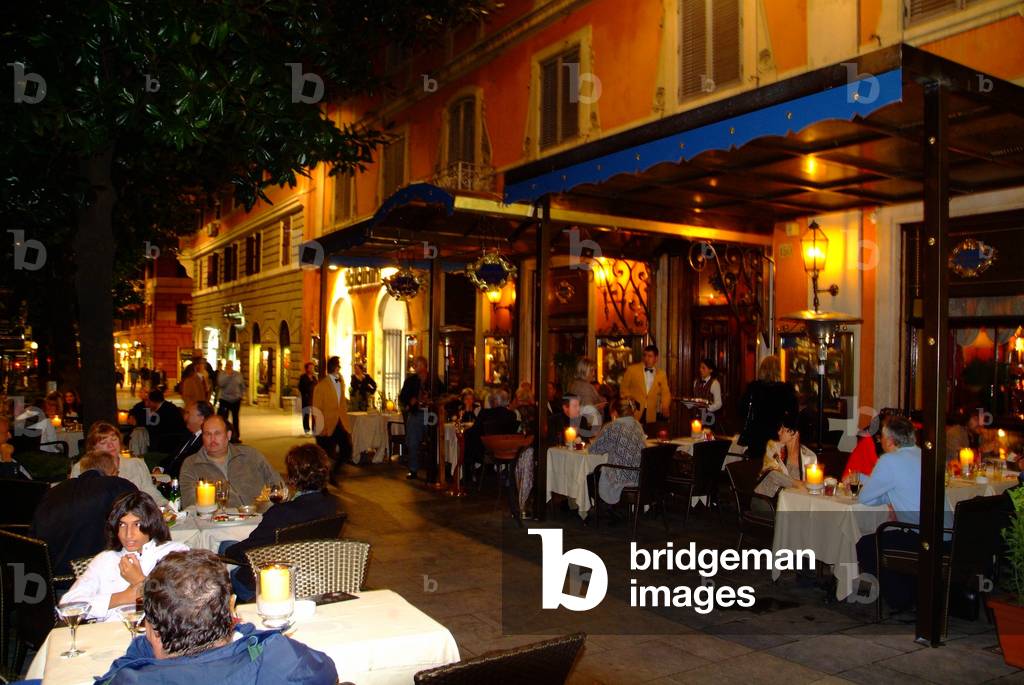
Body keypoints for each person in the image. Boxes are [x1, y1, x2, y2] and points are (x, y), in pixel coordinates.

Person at [97, 549, 338, 684]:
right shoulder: (281, 659)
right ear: (232, 610)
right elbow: (324, 670)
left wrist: (144, 646)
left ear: (151, 627)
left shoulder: (130, 680)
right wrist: (247, 635)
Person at [854, 416, 952, 612]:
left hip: (925, 538)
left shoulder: (890, 460)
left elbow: (864, 498)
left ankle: (901, 598)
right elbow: (902, 489)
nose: (879, 440)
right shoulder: (925, 455)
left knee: (866, 545)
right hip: (949, 536)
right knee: (893, 536)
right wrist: (890, 498)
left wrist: (885, 497)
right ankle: (911, 592)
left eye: (881, 436)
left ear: (890, 441)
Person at [222, 444, 339, 600]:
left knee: (225, 546)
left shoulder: (282, 513)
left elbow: (251, 550)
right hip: (310, 577)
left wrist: (227, 552)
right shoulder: (332, 505)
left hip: (270, 584)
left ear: (292, 478)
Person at [61, 491, 188, 621]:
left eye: (137, 524)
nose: (128, 534)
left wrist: (140, 582)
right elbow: (67, 607)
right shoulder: (105, 559)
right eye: (122, 525)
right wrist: (123, 597)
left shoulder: (173, 553)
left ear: (151, 524)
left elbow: (184, 603)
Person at [31, 450, 138, 578]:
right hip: (92, 576)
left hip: (48, 575)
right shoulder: (116, 485)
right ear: (112, 472)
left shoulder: (54, 492)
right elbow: (143, 519)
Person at [178, 415, 283, 508]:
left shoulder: (250, 455)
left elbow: (277, 483)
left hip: (260, 518)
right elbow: (189, 502)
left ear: (228, 435)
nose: (212, 439)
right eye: (207, 434)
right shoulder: (191, 465)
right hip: (219, 523)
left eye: (217, 433)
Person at [72, 421, 167, 505]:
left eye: (114, 439)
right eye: (103, 442)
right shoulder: (81, 467)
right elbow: (78, 500)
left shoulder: (135, 463)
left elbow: (149, 490)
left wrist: (164, 504)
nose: (111, 445)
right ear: (93, 448)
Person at [737, 355, 798, 461]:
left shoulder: (753, 388)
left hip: (756, 437)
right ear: (779, 370)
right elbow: (794, 415)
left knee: (756, 468)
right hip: (776, 437)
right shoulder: (785, 390)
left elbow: (741, 410)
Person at [592, 399, 649, 507]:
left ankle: (599, 508)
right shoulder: (637, 424)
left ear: (614, 412)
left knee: (592, 474)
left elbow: (594, 450)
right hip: (639, 475)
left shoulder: (612, 426)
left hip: (622, 478)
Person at [754, 413, 818, 500]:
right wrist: (798, 484)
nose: (778, 432)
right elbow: (771, 473)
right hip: (767, 499)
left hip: (792, 501)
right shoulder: (773, 447)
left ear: (794, 433)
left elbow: (811, 485)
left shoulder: (809, 456)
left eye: (783, 429)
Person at [399, 355, 443, 481]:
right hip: (416, 413)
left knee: (433, 440)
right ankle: (413, 469)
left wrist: (433, 400)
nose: (414, 367)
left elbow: (442, 393)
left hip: (430, 413)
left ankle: (433, 469)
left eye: (416, 365)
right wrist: (410, 401)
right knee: (413, 441)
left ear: (424, 366)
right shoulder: (411, 380)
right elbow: (402, 397)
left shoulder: (433, 380)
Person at [463, 389, 520, 480]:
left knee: (467, 437)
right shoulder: (512, 415)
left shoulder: (485, 413)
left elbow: (474, 431)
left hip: (487, 453)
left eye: (492, 400)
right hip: (506, 451)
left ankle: (467, 476)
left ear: (494, 402)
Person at [311, 356, 354, 479]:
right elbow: (316, 409)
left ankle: (334, 472)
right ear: (335, 368)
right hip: (326, 424)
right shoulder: (321, 386)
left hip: (339, 422)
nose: (340, 369)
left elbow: (341, 403)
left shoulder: (340, 381)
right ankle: (324, 481)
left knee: (347, 449)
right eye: (339, 366)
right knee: (325, 455)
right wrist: (320, 427)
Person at [619, 345, 672, 430]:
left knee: (649, 437)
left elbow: (665, 393)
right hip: (634, 411)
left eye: (650, 356)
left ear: (656, 358)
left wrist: (665, 406)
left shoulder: (661, 374)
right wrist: (633, 405)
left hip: (651, 413)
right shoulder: (632, 370)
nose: (646, 359)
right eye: (645, 355)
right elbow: (623, 389)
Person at [159, 401, 214, 480]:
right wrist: (160, 468)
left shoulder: (204, 442)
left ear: (202, 419)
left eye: (188, 413)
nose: (185, 417)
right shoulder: (187, 434)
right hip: (165, 476)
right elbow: (174, 456)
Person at [215, 360, 245, 443]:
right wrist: (228, 375)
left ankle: (236, 437)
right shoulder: (222, 374)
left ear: (232, 365)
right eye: (227, 365)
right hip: (224, 399)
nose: (229, 366)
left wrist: (241, 395)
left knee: (235, 418)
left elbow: (242, 385)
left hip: (236, 400)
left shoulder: (238, 374)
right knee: (223, 418)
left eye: (230, 365)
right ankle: (223, 435)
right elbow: (220, 384)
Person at [693, 357, 723, 429]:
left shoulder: (715, 383)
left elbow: (719, 403)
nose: (700, 370)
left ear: (710, 370)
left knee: (707, 438)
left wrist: (707, 408)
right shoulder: (695, 382)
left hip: (709, 418)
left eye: (703, 368)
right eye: (700, 367)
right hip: (697, 417)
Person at [0, 415, 32, 479]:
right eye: (6, 432)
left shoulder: (5, 452)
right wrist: (6, 459)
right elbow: (12, 485)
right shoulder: (5, 454)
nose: (10, 436)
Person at [298, 362, 317, 435]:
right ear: (307, 369)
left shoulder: (314, 377)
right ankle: (306, 429)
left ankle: (314, 429)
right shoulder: (303, 377)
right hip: (306, 398)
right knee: (306, 414)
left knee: (314, 414)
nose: (312, 369)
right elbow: (300, 387)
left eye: (313, 367)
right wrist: (305, 392)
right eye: (310, 367)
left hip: (313, 398)